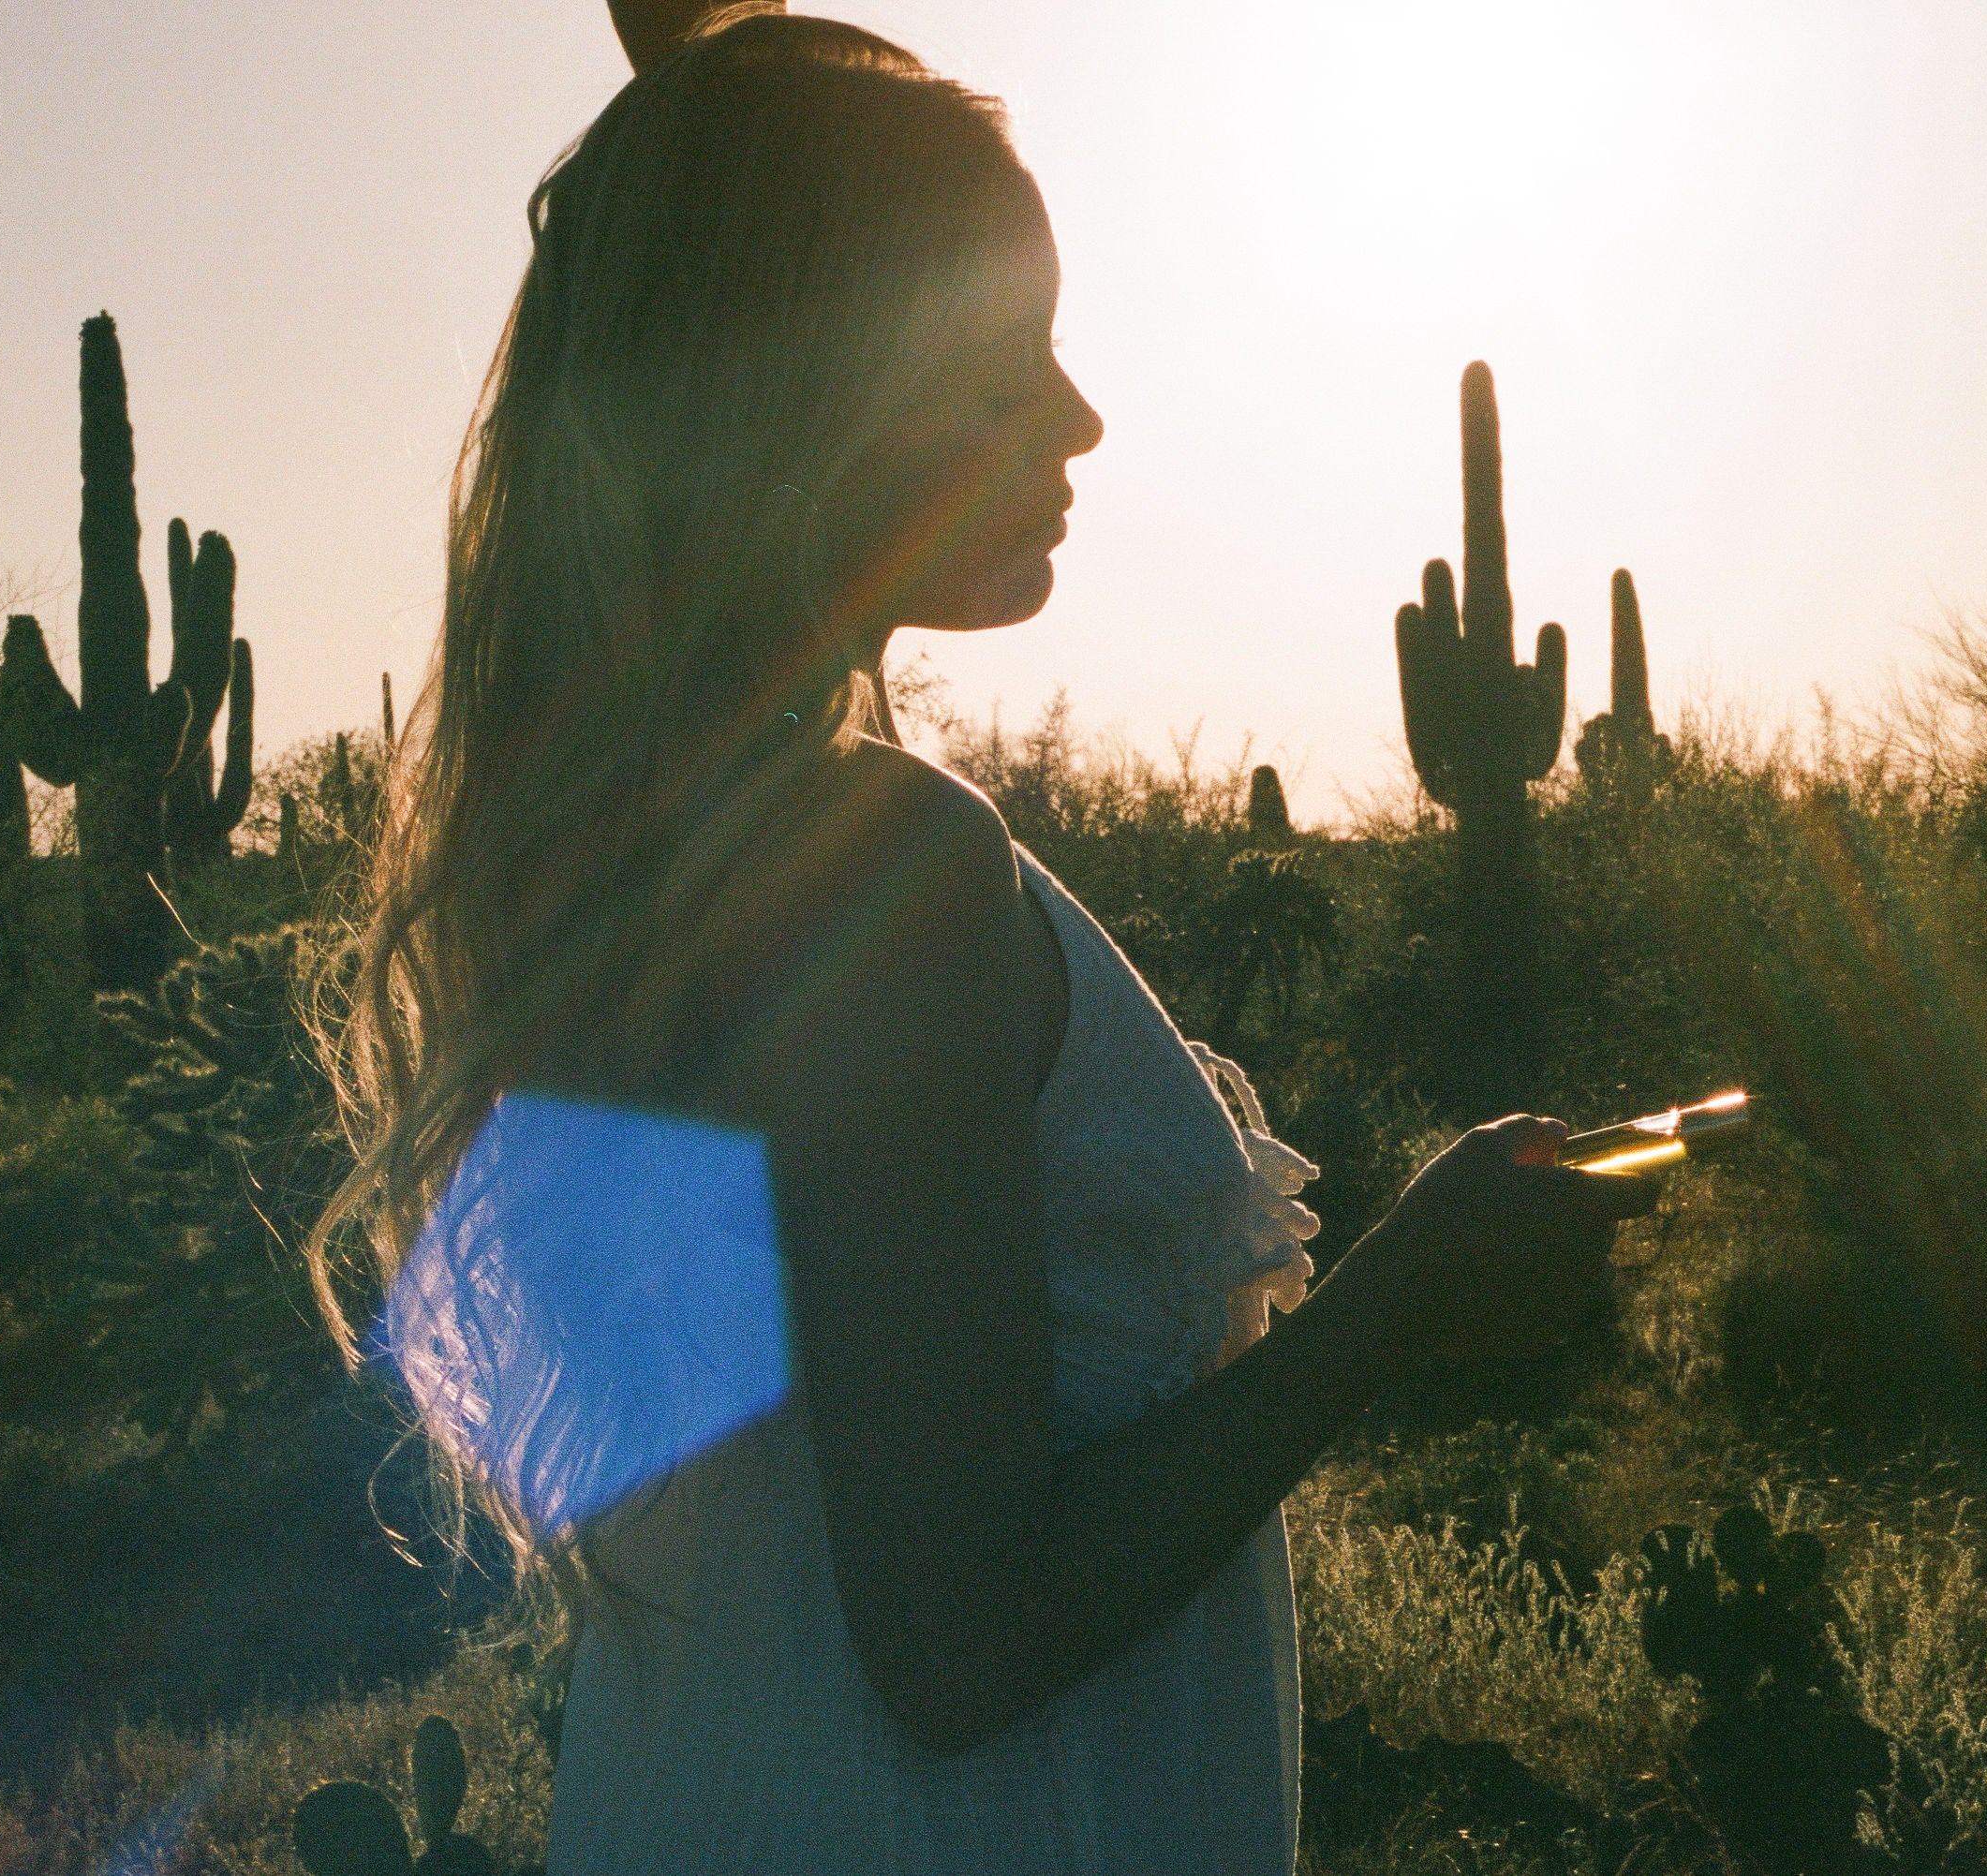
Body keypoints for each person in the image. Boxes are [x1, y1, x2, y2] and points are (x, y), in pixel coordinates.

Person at [306, 10, 1656, 1870]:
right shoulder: (881, 864)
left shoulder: (645, 860)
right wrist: (1401, 1304)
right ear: (808, 404)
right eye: (1000, 364)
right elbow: (957, 1637)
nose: (1081, 418)